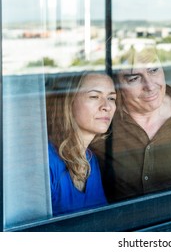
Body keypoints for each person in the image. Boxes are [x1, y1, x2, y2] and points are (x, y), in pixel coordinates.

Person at [92, 48, 171, 202]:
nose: (150, 86)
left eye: (153, 70)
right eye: (134, 78)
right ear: (116, 84)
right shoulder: (102, 118)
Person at [46, 71, 117, 215]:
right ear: (68, 101)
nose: (107, 106)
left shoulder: (90, 160)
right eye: (94, 96)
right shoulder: (46, 162)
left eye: (111, 98)